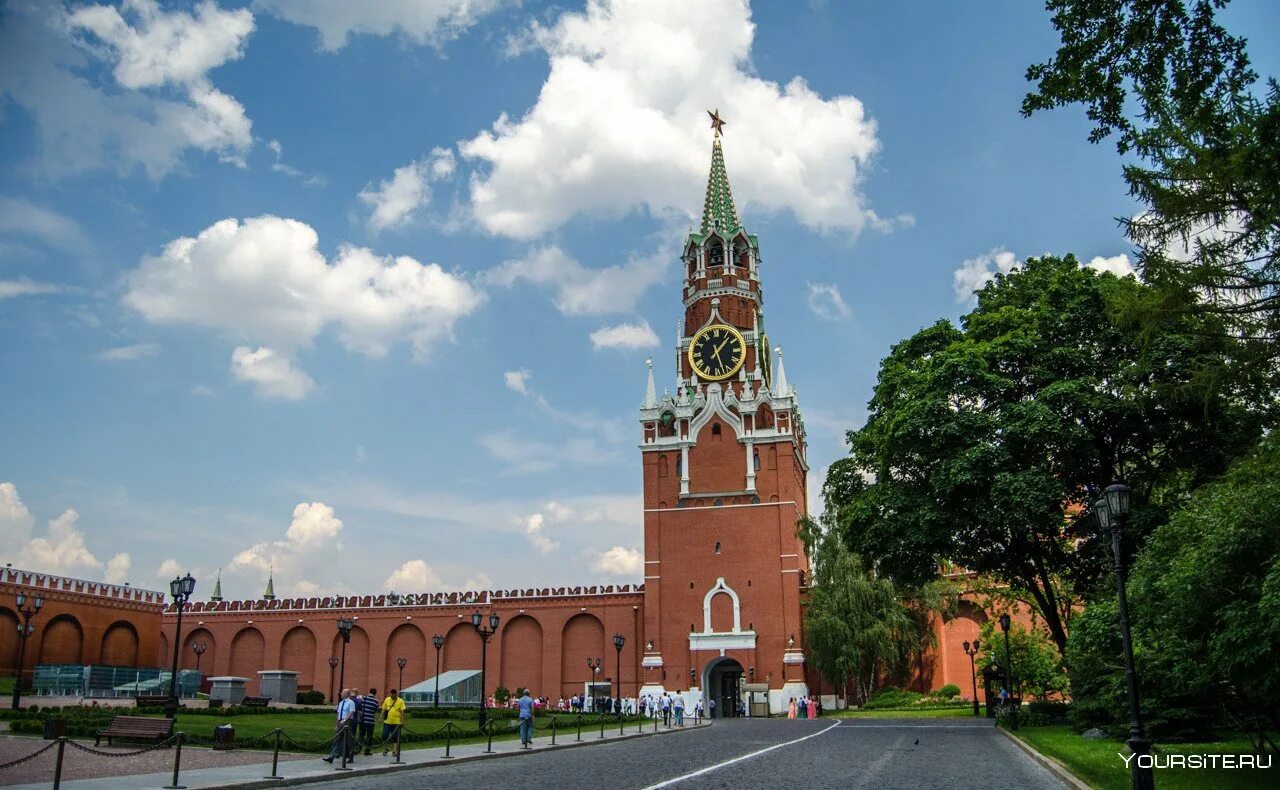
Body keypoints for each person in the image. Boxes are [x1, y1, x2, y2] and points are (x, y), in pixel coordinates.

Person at [323, 689, 356, 763]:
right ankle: (331, 756)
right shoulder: (341, 703)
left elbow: (351, 712)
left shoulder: (351, 702)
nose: (340, 694)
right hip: (340, 723)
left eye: (342, 693)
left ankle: (351, 757)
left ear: (347, 694)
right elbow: (338, 713)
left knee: (349, 740)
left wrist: (344, 720)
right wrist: (337, 724)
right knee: (336, 740)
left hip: (347, 722)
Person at [380, 688, 405, 756]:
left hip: (396, 722)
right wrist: (381, 717)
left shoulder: (400, 701)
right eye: (391, 696)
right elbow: (384, 708)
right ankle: (385, 749)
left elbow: (402, 712)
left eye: (393, 696)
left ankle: (394, 751)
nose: (392, 697)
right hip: (387, 722)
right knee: (384, 736)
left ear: (396, 694)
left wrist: (402, 721)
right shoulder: (387, 699)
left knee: (395, 737)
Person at [357, 687, 378, 755]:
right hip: (370, 720)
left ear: (369, 692)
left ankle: (358, 748)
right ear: (375, 693)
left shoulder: (363, 698)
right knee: (369, 736)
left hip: (362, 720)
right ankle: (367, 751)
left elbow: (360, 707)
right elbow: (375, 709)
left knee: (361, 735)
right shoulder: (375, 701)